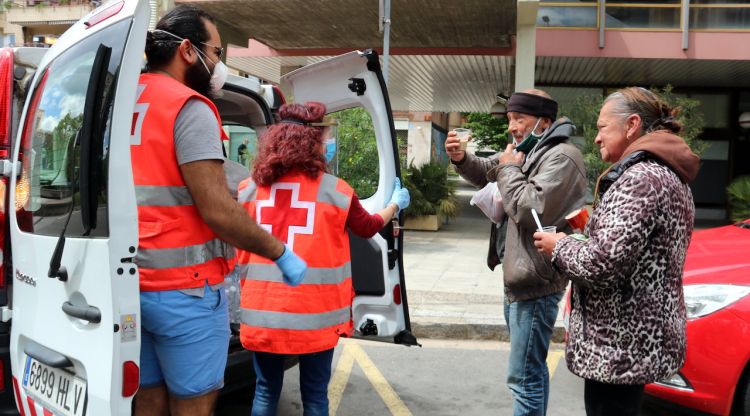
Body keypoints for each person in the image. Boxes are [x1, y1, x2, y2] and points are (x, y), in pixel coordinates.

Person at [133, 5, 306, 415]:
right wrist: (279, 251)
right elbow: (216, 211)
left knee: (147, 397)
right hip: (184, 292)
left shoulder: (125, 101)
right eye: (216, 51)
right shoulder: (188, 107)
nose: (219, 63)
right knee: (194, 403)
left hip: (128, 286)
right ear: (189, 51)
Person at [235, 102, 410, 416]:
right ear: (311, 141)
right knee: (315, 398)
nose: (330, 143)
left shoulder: (247, 190)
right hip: (314, 318)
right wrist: (395, 205)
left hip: (262, 314)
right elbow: (368, 226)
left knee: (264, 392)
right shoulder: (337, 192)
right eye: (327, 136)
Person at [534, 87, 699, 416]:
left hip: (618, 346)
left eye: (602, 126)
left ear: (632, 124)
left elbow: (600, 265)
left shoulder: (639, 179)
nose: (596, 138)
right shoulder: (667, 175)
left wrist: (559, 245)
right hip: (632, 343)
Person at [445, 89, 587, 415]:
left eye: (519, 118)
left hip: (536, 283)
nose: (512, 126)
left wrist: (509, 168)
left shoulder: (562, 156)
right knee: (528, 373)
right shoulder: (529, 149)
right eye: (509, 118)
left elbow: (529, 207)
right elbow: (486, 170)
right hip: (518, 278)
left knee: (524, 378)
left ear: (544, 121)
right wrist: (460, 158)